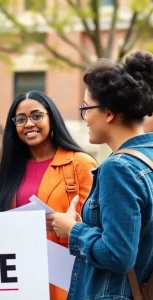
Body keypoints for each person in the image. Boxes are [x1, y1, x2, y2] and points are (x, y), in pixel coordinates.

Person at [50, 50, 153, 300]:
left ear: (108, 112)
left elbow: (118, 255)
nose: (84, 117)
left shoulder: (118, 168)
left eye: (87, 108)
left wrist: (72, 229)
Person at [0, 90, 97, 300]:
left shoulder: (80, 164)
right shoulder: (8, 170)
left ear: (52, 118)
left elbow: (98, 226)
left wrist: (71, 226)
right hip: (21, 276)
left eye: (36, 116)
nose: (29, 123)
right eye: (21, 119)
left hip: (67, 278)